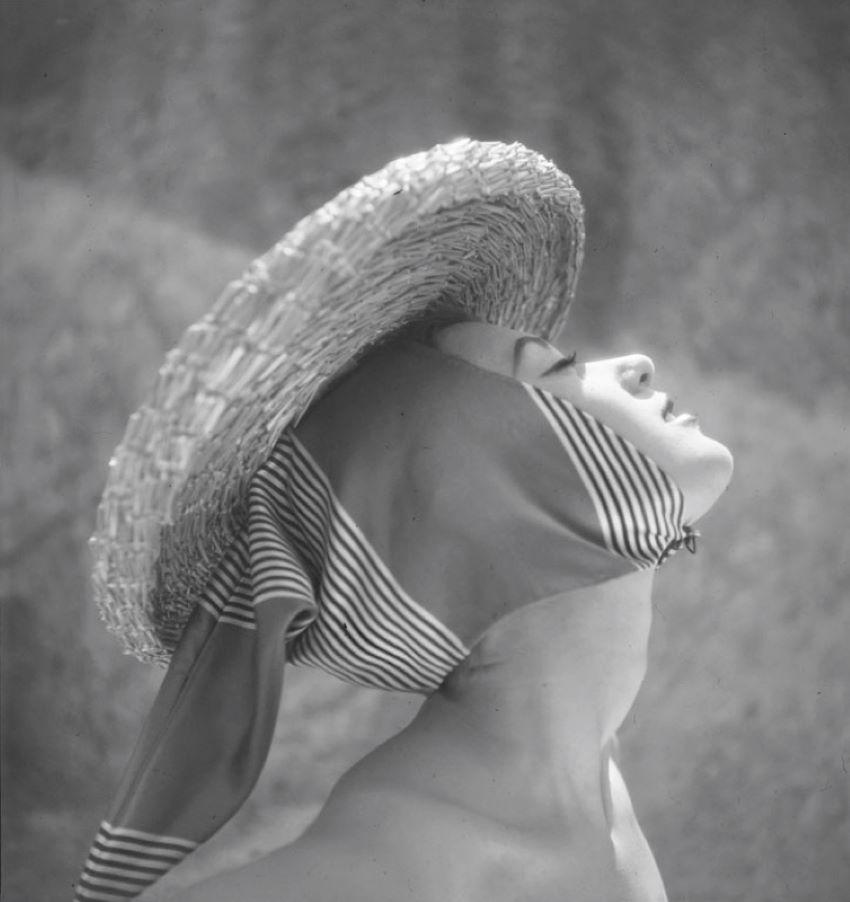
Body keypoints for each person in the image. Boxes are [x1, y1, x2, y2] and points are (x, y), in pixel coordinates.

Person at [74, 142, 732, 902]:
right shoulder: (396, 874)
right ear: (496, 517)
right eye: (558, 370)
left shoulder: (584, 791)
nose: (638, 363)